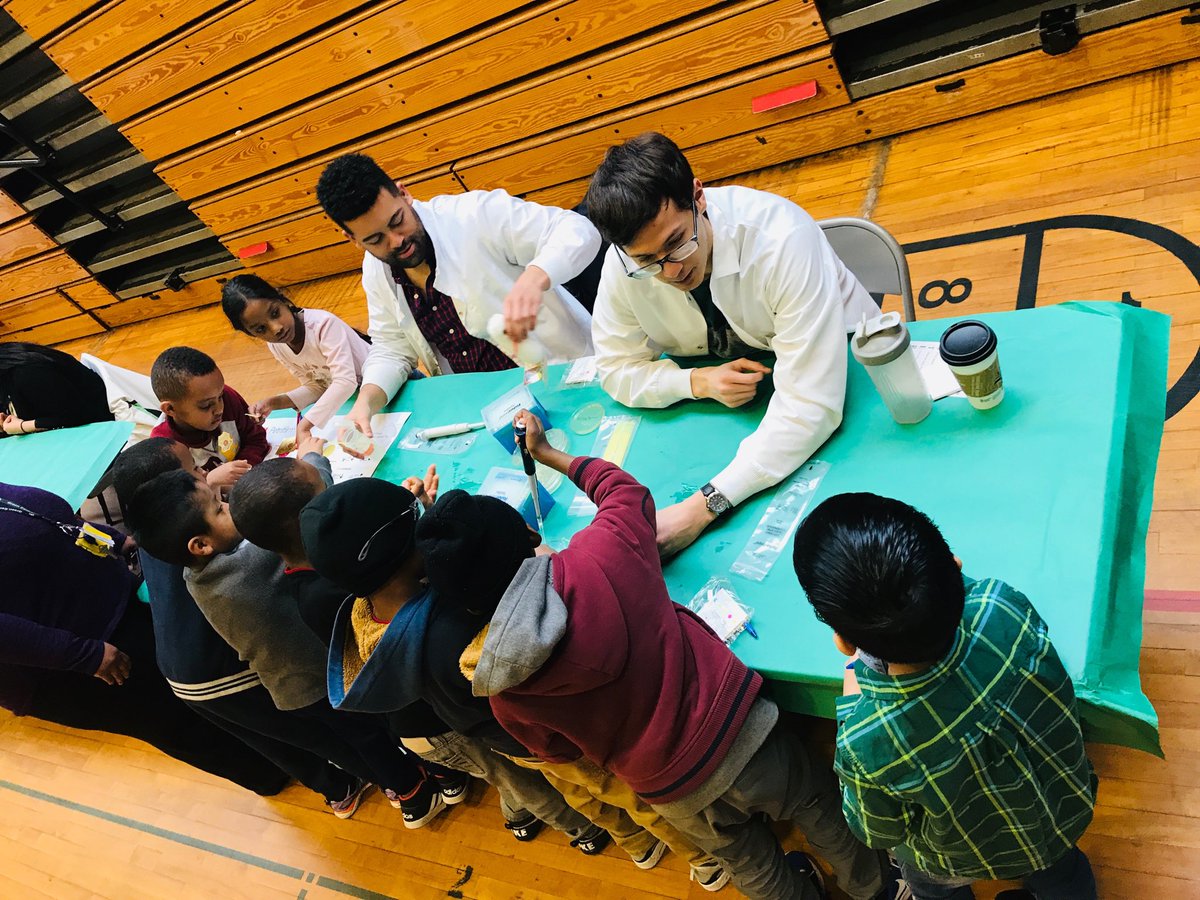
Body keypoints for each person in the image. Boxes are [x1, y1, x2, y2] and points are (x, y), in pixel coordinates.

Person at [416, 410, 893, 900]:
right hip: (740, 737)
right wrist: (549, 454)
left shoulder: (500, 692)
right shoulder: (602, 554)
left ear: (464, 606)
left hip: (667, 790)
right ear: (532, 537)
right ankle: (876, 888)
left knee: (748, 862)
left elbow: (560, 752)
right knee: (816, 801)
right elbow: (624, 492)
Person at [300, 476, 650, 856]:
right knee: (605, 785)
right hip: (543, 735)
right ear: (406, 543)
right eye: (416, 516)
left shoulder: (365, 616)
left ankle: (629, 842)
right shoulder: (454, 627)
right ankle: (645, 839)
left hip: (496, 739)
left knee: (574, 791)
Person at [792, 493, 1099, 900]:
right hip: (1057, 809)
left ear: (844, 643)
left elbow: (877, 830)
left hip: (954, 859)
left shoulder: (867, 739)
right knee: (1064, 876)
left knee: (934, 890)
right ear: (954, 564)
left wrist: (853, 697)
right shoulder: (1001, 604)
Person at [585, 132, 879, 555]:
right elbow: (615, 368)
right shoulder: (625, 264)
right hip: (754, 381)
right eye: (648, 261)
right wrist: (696, 382)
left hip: (852, 362)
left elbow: (812, 404)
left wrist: (702, 507)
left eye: (676, 243)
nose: (670, 271)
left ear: (698, 196)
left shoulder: (780, 238)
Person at [114, 437, 435, 815]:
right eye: (220, 507)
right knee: (371, 733)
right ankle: (413, 791)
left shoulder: (195, 575)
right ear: (200, 545)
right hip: (318, 679)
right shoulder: (251, 562)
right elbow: (306, 515)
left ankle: (397, 786)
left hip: (291, 688)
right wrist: (313, 461)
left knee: (352, 741)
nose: (230, 507)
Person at [0, 479, 288, 796]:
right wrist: (82, 655)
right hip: (71, 664)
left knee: (208, 692)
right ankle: (271, 774)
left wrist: (115, 541)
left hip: (113, 602)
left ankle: (290, 751)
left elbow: (54, 521)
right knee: (171, 719)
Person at [313, 152, 599, 441]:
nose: (396, 241)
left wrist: (534, 279)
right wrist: (366, 403)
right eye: (375, 240)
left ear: (404, 194)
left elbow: (578, 230)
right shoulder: (376, 270)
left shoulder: (473, 215)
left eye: (397, 221)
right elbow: (392, 347)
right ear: (352, 239)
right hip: (481, 408)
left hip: (559, 383)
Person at [220, 274, 370, 442]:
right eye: (261, 329)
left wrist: (305, 425)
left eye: (275, 313)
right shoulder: (277, 345)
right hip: (354, 400)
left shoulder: (323, 325)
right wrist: (272, 403)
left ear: (281, 298)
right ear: (250, 333)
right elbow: (317, 386)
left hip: (382, 386)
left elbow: (345, 382)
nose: (276, 329)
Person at [149, 347, 269, 491]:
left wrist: (242, 469)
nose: (219, 409)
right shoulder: (165, 448)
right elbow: (181, 498)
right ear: (170, 409)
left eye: (220, 396)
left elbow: (256, 437)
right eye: (206, 406)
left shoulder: (228, 397)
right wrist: (211, 481)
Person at [0, 342, 112, 436]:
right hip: (70, 415)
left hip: (96, 422)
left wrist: (22, 426)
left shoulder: (27, 374)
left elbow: (76, 416)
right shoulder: (7, 359)